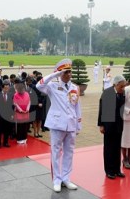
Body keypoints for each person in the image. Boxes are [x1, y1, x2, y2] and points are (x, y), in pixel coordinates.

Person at [36, 58, 81, 193]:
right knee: (55, 153)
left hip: (71, 124)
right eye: (66, 72)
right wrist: (55, 74)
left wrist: (78, 124)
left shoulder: (75, 87)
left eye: (69, 72)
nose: (69, 74)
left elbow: (77, 106)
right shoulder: (53, 86)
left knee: (69, 152)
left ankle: (66, 178)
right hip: (57, 124)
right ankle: (56, 179)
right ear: (60, 73)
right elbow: (39, 85)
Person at [98, 75, 127, 179]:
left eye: (124, 86)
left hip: (119, 125)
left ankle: (117, 169)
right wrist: (101, 125)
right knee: (109, 148)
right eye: (121, 86)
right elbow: (102, 110)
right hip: (109, 125)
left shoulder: (122, 93)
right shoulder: (108, 93)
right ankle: (109, 170)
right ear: (116, 84)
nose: (123, 88)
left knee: (117, 148)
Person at [0, 79, 14, 148]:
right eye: (5, 88)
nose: (6, 90)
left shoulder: (10, 95)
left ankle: (5, 142)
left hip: (8, 115)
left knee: (7, 130)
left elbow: (12, 106)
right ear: (2, 88)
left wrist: (12, 114)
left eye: (8, 88)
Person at [13, 80, 30, 144]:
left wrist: (28, 109)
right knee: (20, 126)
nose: (22, 91)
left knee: (25, 126)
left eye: (23, 89)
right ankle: (19, 139)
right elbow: (15, 103)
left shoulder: (27, 94)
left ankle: (24, 138)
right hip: (19, 113)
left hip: (26, 112)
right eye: (21, 90)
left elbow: (29, 101)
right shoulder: (16, 95)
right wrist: (20, 110)